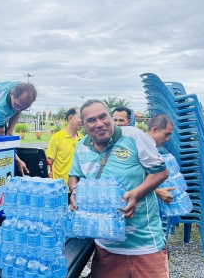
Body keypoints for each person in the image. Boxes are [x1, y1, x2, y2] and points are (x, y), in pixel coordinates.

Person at [69, 100, 169, 278]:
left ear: (110, 116)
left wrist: (136, 194)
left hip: (144, 243)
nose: (99, 123)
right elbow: (74, 176)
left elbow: (161, 173)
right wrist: (75, 191)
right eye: (91, 120)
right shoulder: (81, 146)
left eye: (103, 116)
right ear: (83, 125)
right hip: (106, 245)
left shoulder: (134, 137)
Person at [46, 107, 83, 185]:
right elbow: (49, 163)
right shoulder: (56, 138)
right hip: (60, 188)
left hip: (77, 188)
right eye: (80, 117)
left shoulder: (82, 139)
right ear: (70, 118)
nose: (82, 121)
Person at [147, 114, 175, 204]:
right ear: (155, 129)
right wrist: (157, 192)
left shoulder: (152, 148)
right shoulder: (142, 148)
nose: (167, 139)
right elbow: (130, 180)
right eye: (166, 134)